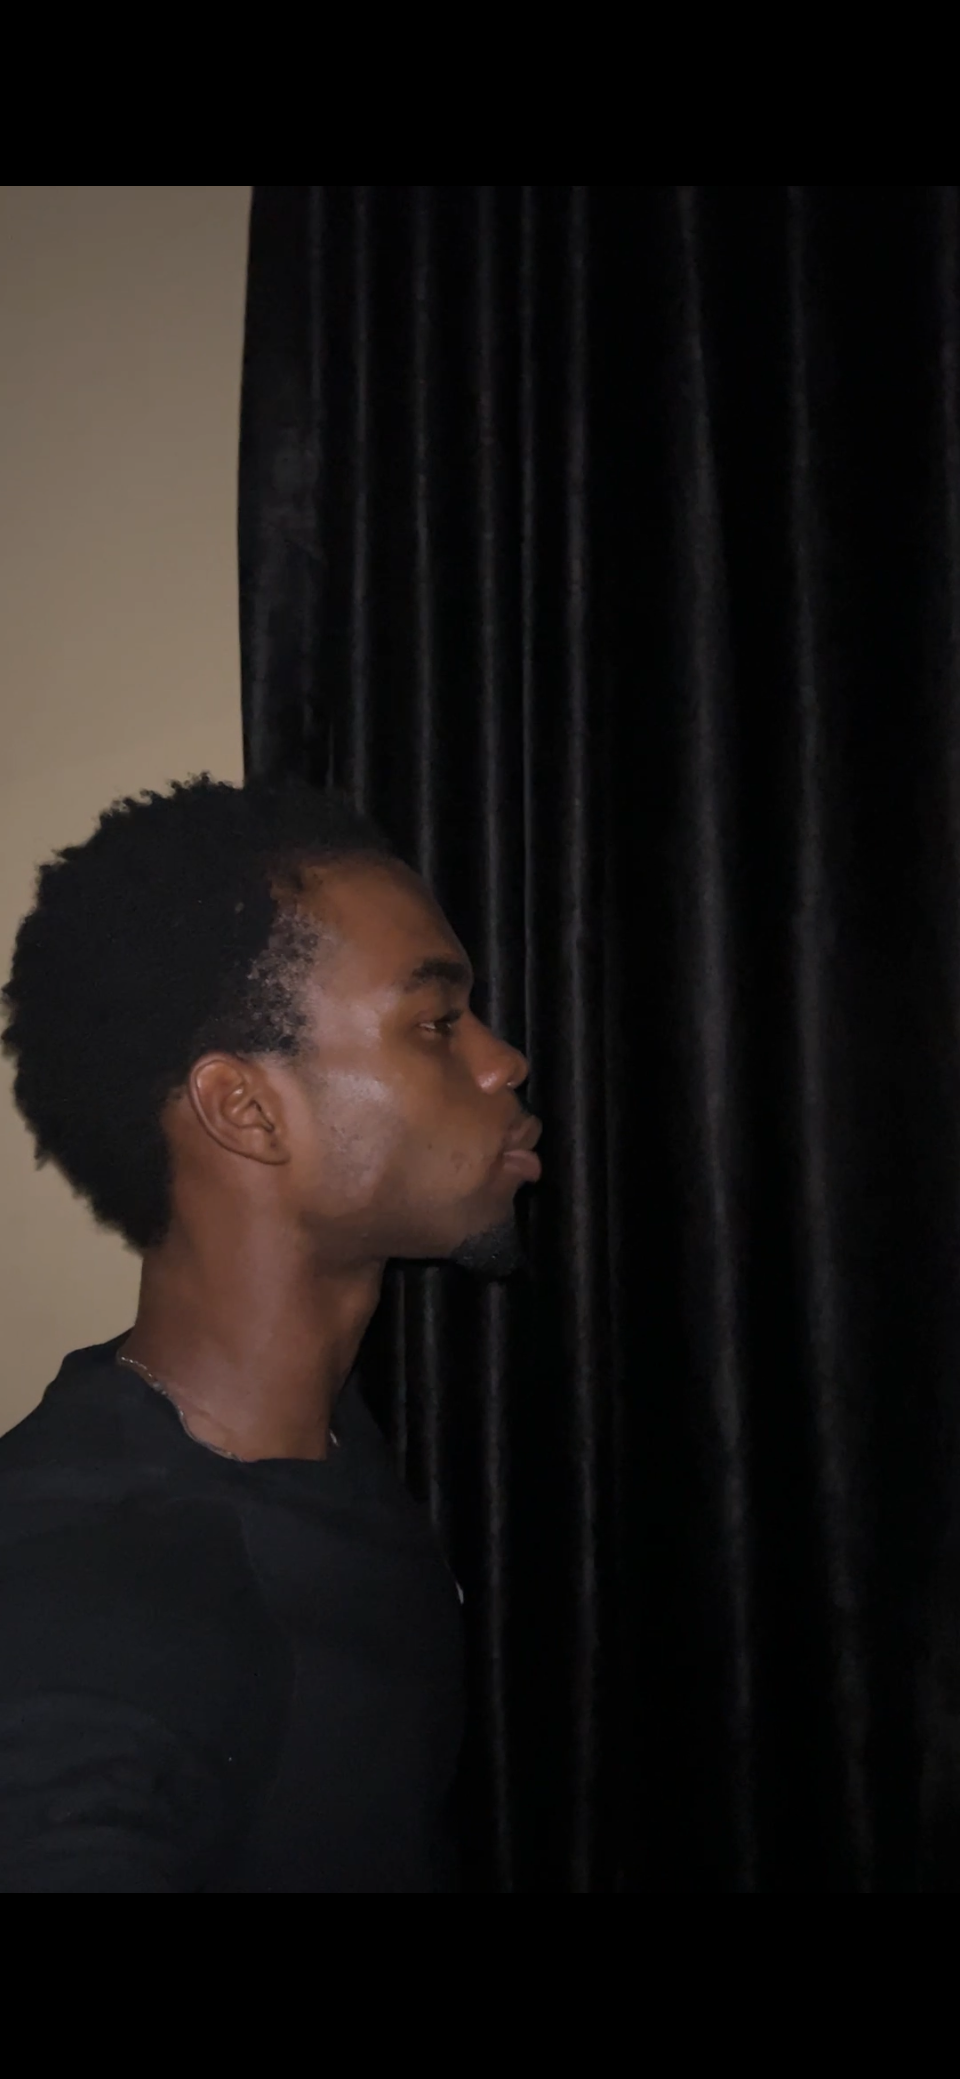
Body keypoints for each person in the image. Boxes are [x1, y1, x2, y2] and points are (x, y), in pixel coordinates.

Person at [0, 776, 541, 1893]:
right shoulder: (86, 1595)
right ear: (245, 1110)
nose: (502, 1063)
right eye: (437, 1023)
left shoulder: (313, 1435)